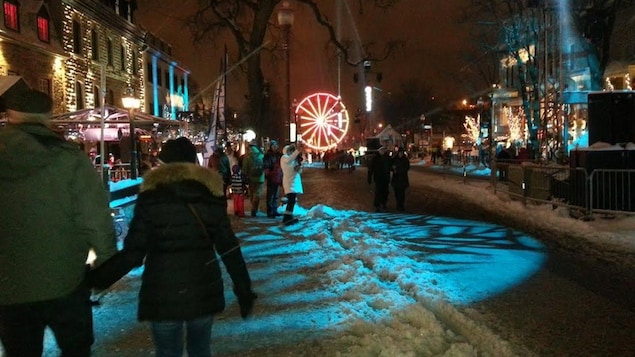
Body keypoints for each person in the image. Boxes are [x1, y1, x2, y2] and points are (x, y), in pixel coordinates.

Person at [87, 137, 256, 357]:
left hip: (162, 292)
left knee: (167, 352)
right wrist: (243, 290)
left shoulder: (150, 199)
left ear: (165, 165)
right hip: (203, 290)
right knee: (201, 349)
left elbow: (133, 253)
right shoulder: (209, 197)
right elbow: (229, 248)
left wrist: (97, 279)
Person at [0, 89, 118, 356]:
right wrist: (107, 262)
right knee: (75, 348)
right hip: (65, 278)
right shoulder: (68, 158)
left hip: (9, 283)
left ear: (10, 114)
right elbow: (95, 217)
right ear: (47, 116)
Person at [280, 143, 305, 225]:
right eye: (290, 151)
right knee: (291, 200)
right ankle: (286, 218)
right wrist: (297, 150)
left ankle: (289, 216)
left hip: (293, 182)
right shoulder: (284, 158)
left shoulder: (292, 160)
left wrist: (299, 168)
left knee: (292, 200)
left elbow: (297, 169)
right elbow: (290, 161)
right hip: (289, 182)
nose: (291, 152)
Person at [242, 140, 265, 217]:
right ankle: (254, 209)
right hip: (260, 178)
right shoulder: (261, 155)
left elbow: (245, 168)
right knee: (257, 194)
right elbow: (265, 165)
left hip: (251, 178)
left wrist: (244, 176)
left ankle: (253, 208)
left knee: (252, 194)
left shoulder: (247, 156)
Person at [367, 146, 392, 212]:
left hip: (386, 177)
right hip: (378, 178)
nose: (383, 151)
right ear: (379, 151)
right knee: (378, 192)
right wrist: (369, 178)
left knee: (385, 192)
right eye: (382, 150)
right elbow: (370, 169)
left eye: (384, 150)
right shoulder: (375, 159)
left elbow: (391, 166)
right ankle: (377, 205)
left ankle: (384, 203)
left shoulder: (388, 158)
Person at [263, 140, 283, 218]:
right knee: (270, 195)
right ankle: (270, 211)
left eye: (276, 145)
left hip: (277, 176)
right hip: (271, 177)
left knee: (276, 194)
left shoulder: (278, 155)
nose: (275, 147)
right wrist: (269, 173)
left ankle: (274, 209)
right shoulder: (268, 155)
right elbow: (266, 166)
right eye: (273, 146)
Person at [391, 147, 410, 211]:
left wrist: (399, 171)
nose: (401, 154)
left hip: (402, 178)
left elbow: (407, 167)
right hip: (396, 178)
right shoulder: (394, 159)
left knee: (402, 193)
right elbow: (391, 166)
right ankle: (398, 204)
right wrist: (393, 169)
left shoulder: (405, 159)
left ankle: (401, 205)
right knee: (396, 192)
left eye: (402, 153)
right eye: (400, 152)